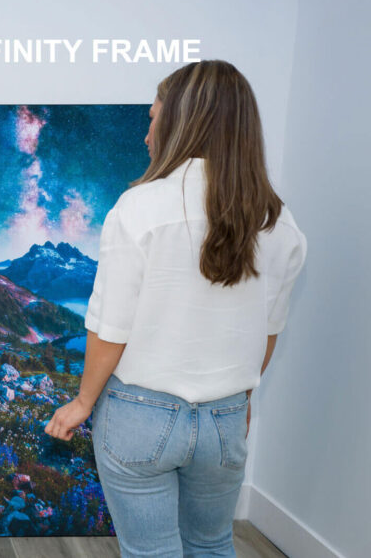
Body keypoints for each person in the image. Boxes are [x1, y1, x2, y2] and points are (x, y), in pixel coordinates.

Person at [44, 60, 306, 557]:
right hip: (225, 419)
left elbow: (111, 327)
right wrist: (240, 401)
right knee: (211, 545)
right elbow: (267, 333)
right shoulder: (278, 220)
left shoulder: (139, 207)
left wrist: (82, 403)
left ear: (182, 122)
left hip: (140, 415)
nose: (147, 134)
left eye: (152, 118)